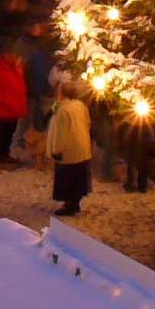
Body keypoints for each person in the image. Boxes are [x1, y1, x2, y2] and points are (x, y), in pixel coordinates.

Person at [44, 86, 93, 216]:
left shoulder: (63, 111)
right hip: (82, 149)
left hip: (68, 152)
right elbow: (88, 123)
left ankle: (69, 204)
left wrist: (56, 150)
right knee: (79, 179)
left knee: (68, 179)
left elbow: (61, 134)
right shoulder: (80, 105)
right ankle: (75, 203)